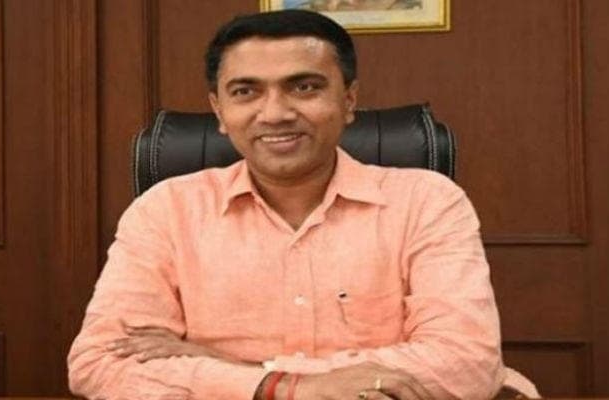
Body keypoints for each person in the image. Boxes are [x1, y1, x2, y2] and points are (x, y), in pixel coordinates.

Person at [68, 9, 538, 400]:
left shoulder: (426, 201)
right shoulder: (166, 210)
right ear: (219, 112)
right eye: (246, 91)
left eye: (305, 87)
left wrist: (241, 373)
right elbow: (99, 364)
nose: (275, 113)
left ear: (349, 101)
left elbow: (466, 364)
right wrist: (289, 387)